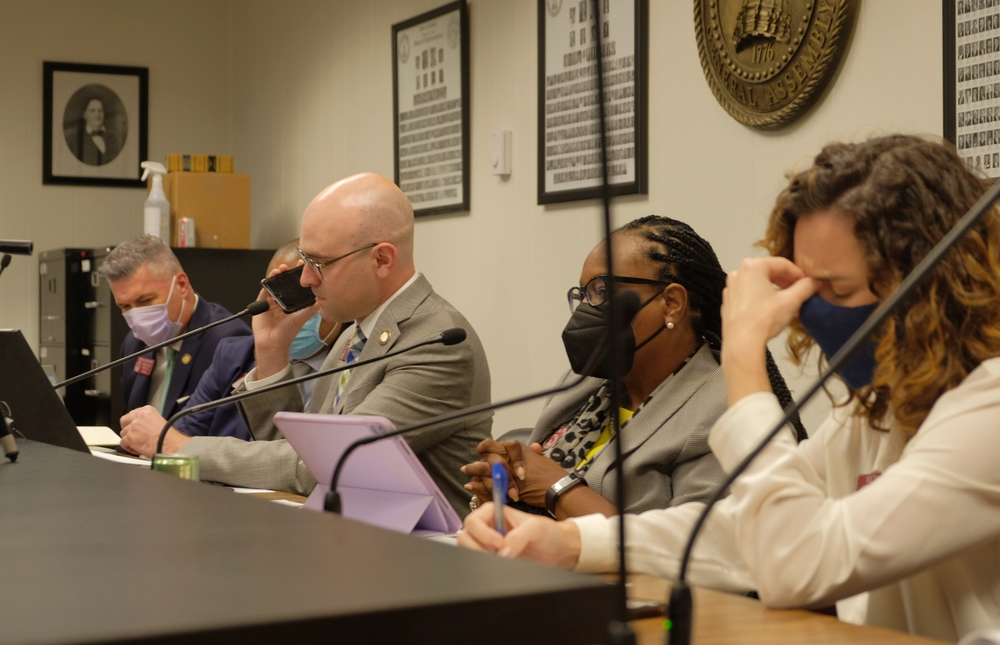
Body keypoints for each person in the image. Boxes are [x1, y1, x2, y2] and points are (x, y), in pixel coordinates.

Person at [459, 135, 1000, 642]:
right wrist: (568, 542)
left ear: (932, 282)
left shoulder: (990, 403)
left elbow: (799, 563)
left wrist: (743, 354)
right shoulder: (877, 407)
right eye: (801, 286)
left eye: (833, 289)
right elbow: (745, 529)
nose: (807, 313)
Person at [120, 173, 492, 516]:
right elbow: (289, 456)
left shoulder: (438, 341)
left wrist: (178, 446)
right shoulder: (354, 332)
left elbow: (325, 468)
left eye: (320, 263)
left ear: (381, 259)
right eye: (304, 262)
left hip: (425, 560)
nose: (307, 279)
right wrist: (270, 354)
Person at [460, 216, 806, 519]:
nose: (587, 309)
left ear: (671, 304)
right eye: (584, 295)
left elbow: (692, 552)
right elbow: (532, 485)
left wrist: (558, 489)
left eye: (603, 290)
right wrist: (502, 488)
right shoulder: (582, 384)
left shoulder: (726, 407)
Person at [120, 240, 341, 441]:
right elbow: (182, 431)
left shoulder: (353, 359)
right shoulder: (234, 355)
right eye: (285, 296)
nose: (296, 314)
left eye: (306, 294)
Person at [99, 235, 251, 421]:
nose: (137, 317)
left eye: (146, 300)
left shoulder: (228, 341)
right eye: (125, 307)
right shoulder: (134, 343)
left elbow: (228, 433)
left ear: (181, 285)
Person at [68, 98, 122, 165]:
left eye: (100, 111)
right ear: (85, 115)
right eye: (92, 111)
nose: (97, 115)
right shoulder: (73, 140)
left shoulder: (113, 139)